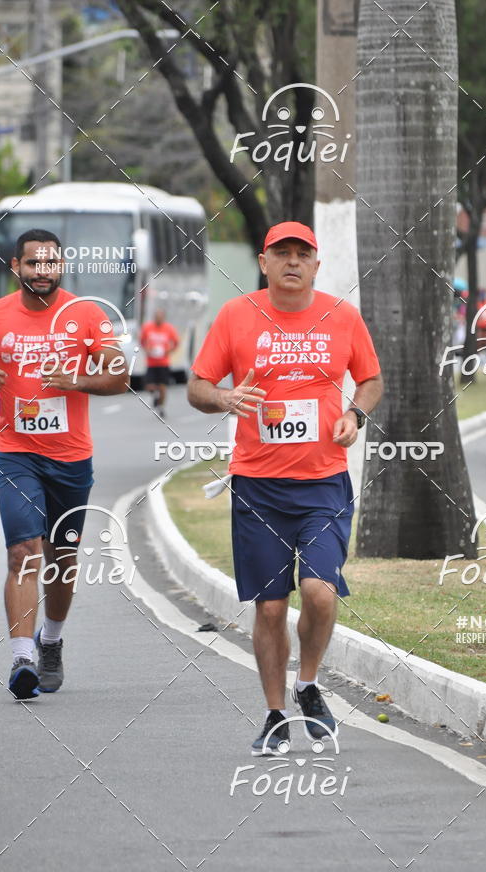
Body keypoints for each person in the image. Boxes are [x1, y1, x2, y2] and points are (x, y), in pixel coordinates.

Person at [188, 221, 383, 754]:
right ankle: (275, 714)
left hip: (323, 484)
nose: (293, 262)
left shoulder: (342, 316)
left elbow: (370, 379)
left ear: (317, 265)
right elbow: (197, 386)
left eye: (303, 254)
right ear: (263, 262)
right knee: (270, 607)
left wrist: (355, 415)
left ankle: (309, 682)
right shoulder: (235, 316)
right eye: (282, 253)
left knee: (320, 593)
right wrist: (224, 399)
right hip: (258, 486)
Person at [0, 229, 128, 700]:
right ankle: (21, 658)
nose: (42, 272)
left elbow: (119, 376)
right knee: (22, 552)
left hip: (71, 458)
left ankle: (50, 641)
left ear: (62, 267)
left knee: (62, 559)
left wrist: (76, 378)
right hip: (13, 452)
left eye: (51, 264)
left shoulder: (86, 315)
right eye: (33, 264)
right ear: (17, 267)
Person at [140, 309, 179, 418]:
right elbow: (142, 341)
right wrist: (147, 349)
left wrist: (168, 351)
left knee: (163, 387)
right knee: (149, 386)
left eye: (160, 317)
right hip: (151, 362)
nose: (158, 319)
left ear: (163, 318)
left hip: (163, 362)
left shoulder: (169, 328)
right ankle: (155, 396)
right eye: (157, 317)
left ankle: (161, 407)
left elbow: (176, 342)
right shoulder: (147, 328)